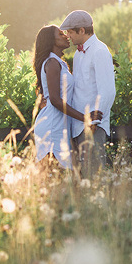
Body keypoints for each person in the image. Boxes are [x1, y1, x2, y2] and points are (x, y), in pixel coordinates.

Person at [33, 25, 102, 171]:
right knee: (52, 178)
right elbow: (55, 100)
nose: (66, 36)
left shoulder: (60, 63)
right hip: (51, 127)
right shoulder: (52, 63)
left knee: (61, 179)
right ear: (52, 41)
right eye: (61, 34)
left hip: (60, 126)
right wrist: (85, 118)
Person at [59, 10, 116, 179]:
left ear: (82, 31)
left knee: (93, 177)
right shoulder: (78, 54)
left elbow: (107, 90)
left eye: (70, 31)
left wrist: (95, 120)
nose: (68, 35)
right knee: (81, 178)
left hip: (92, 126)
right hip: (76, 126)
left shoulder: (100, 51)